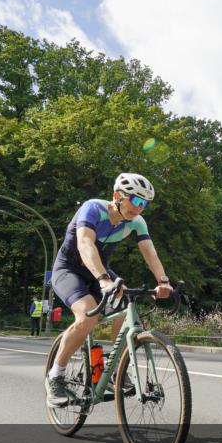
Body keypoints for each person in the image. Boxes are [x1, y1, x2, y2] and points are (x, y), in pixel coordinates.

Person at [46, 173, 172, 407]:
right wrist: (103, 279)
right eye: (135, 201)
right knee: (87, 316)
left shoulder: (136, 222)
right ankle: (56, 376)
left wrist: (163, 280)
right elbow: (85, 244)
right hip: (70, 269)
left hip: (101, 270)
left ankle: (117, 369)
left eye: (144, 204)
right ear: (117, 196)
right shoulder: (92, 209)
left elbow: (149, 252)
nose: (140, 208)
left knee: (127, 308)